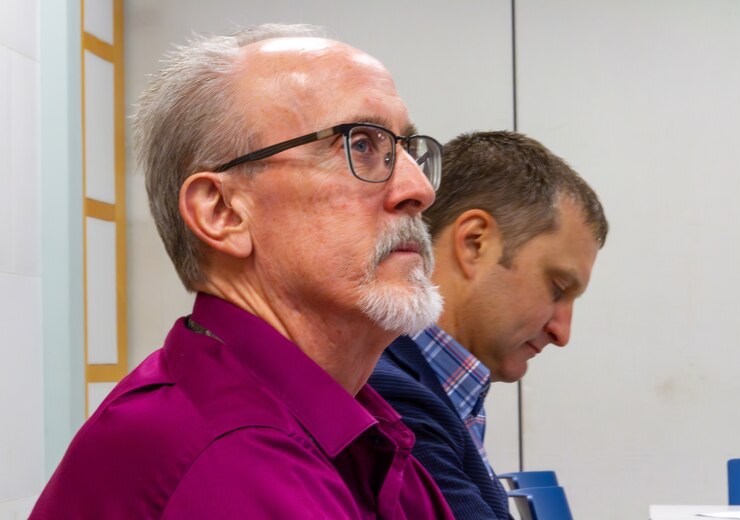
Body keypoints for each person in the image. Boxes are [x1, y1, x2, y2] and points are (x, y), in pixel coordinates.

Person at [31, 24, 455, 519]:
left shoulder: (352, 426)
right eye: (359, 144)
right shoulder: (227, 457)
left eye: (404, 149)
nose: (418, 188)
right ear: (222, 213)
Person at [369, 131, 609, 519]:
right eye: (557, 287)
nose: (562, 333)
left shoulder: (435, 389)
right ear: (475, 243)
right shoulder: (394, 398)